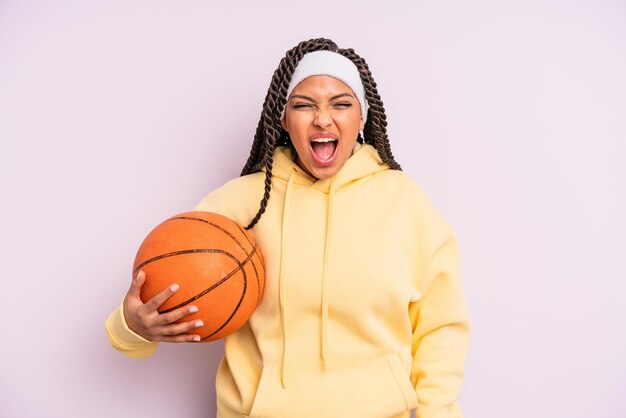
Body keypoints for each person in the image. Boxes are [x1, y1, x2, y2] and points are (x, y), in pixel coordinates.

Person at [106, 38, 470, 418]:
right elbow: (171, 284)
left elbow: (441, 326)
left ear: (362, 118)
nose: (323, 119)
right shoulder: (241, 204)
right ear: (282, 119)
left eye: (341, 104)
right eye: (304, 105)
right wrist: (132, 327)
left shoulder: (405, 202)